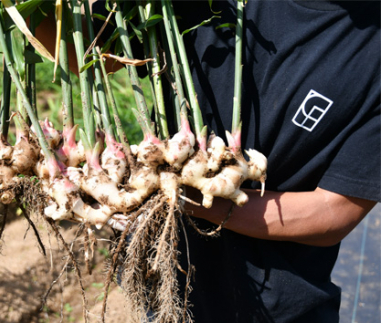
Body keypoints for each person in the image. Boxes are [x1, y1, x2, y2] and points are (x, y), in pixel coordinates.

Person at [163, 1, 380, 322]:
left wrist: (191, 200)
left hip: (278, 310)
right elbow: (86, 52)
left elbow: (334, 212)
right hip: (165, 284)